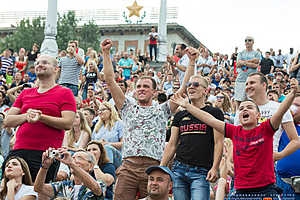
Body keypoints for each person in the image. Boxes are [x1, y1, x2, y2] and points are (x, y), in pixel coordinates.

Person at [169, 78, 300, 199]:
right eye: (241, 108)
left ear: (258, 115)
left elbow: (281, 110)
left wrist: (293, 93)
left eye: (249, 108)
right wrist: (187, 106)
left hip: (265, 190)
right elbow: (208, 118)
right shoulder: (234, 131)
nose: (244, 110)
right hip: (241, 191)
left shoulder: (266, 129)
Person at [101, 39, 193, 199]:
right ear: (135, 91)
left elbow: (183, 90)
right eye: (139, 87)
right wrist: (106, 53)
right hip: (128, 167)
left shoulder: (162, 109)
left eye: (146, 87)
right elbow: (110, 79)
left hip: (153, 169)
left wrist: (191, 62)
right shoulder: (126, 106)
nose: (141, 89)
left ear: (154, 92)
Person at [3, 55, 76, 182]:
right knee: (10, 190)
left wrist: (41, 117)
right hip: (19, 150)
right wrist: (26, 116)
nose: (39, 65)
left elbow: (68, 123)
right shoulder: (26, 93)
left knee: (39, 192)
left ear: (55, 69)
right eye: (37, 63)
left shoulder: (65, 93)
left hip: (45, 154)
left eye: (45, 63)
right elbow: (8, 120)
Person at [160, 54, 224, 199]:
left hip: (201, 171)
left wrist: (215, 167)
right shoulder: (180, 115)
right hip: (179, 169)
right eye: (189, 85)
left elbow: (218, 142)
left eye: (196, 85)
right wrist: (162, 167)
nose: (191, 87)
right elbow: (172, 144)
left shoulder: (214, 112)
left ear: (205, 91)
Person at [236, 72, 300, 162]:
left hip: (267, 165)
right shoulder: (241, 111)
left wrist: (279, 155)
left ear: (264, 85)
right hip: (244, 164)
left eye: (252, 83)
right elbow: (234, 140)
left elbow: (295, 140)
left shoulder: (278, 108)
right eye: (246, 84)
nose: (248, 86)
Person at [34, 148, 106, 199]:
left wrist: (72, 164)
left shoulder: (100, 184)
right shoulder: (63, 186)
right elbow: (38, 188)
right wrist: (44, 167)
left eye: (79, 158)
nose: (74, 160)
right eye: (73, 157)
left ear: (90, 166)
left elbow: (95, 188)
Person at [234, 36, 261, 107]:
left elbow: (256, 65)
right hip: (241, 79)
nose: (247, 42)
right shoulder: (241, 53)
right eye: (246, 40)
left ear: (253, 42)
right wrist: (251, 62)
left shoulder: (257, 53)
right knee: (239, 101)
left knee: (252, 102)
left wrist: (243, 62)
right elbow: (237, 64)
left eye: (249, 40)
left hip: (252, 80)